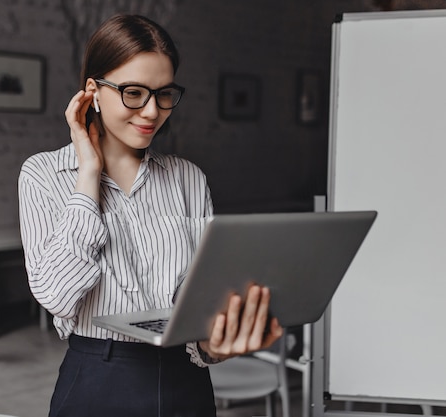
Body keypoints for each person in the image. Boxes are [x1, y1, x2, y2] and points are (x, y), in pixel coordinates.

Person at [18, 14, 283, 417]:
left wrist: (215, 346)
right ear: (93, 92)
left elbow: (199, 298)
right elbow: (56, 295)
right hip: (95, 378)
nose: (151, 112)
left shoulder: (188, 178)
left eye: (164, 95)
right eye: (134, 93)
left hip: (185, 380)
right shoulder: (42, 175)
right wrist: (88, 175)